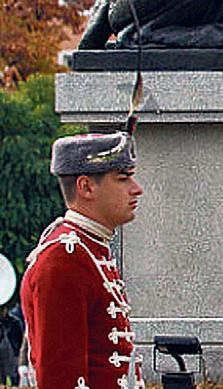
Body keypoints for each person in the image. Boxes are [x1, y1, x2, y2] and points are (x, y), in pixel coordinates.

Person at [19, 131, 145, 389]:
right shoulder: (63, 258)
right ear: (86, 187)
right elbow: (60, 379)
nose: (136, 189)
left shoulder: (88, 247)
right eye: (123, 179)